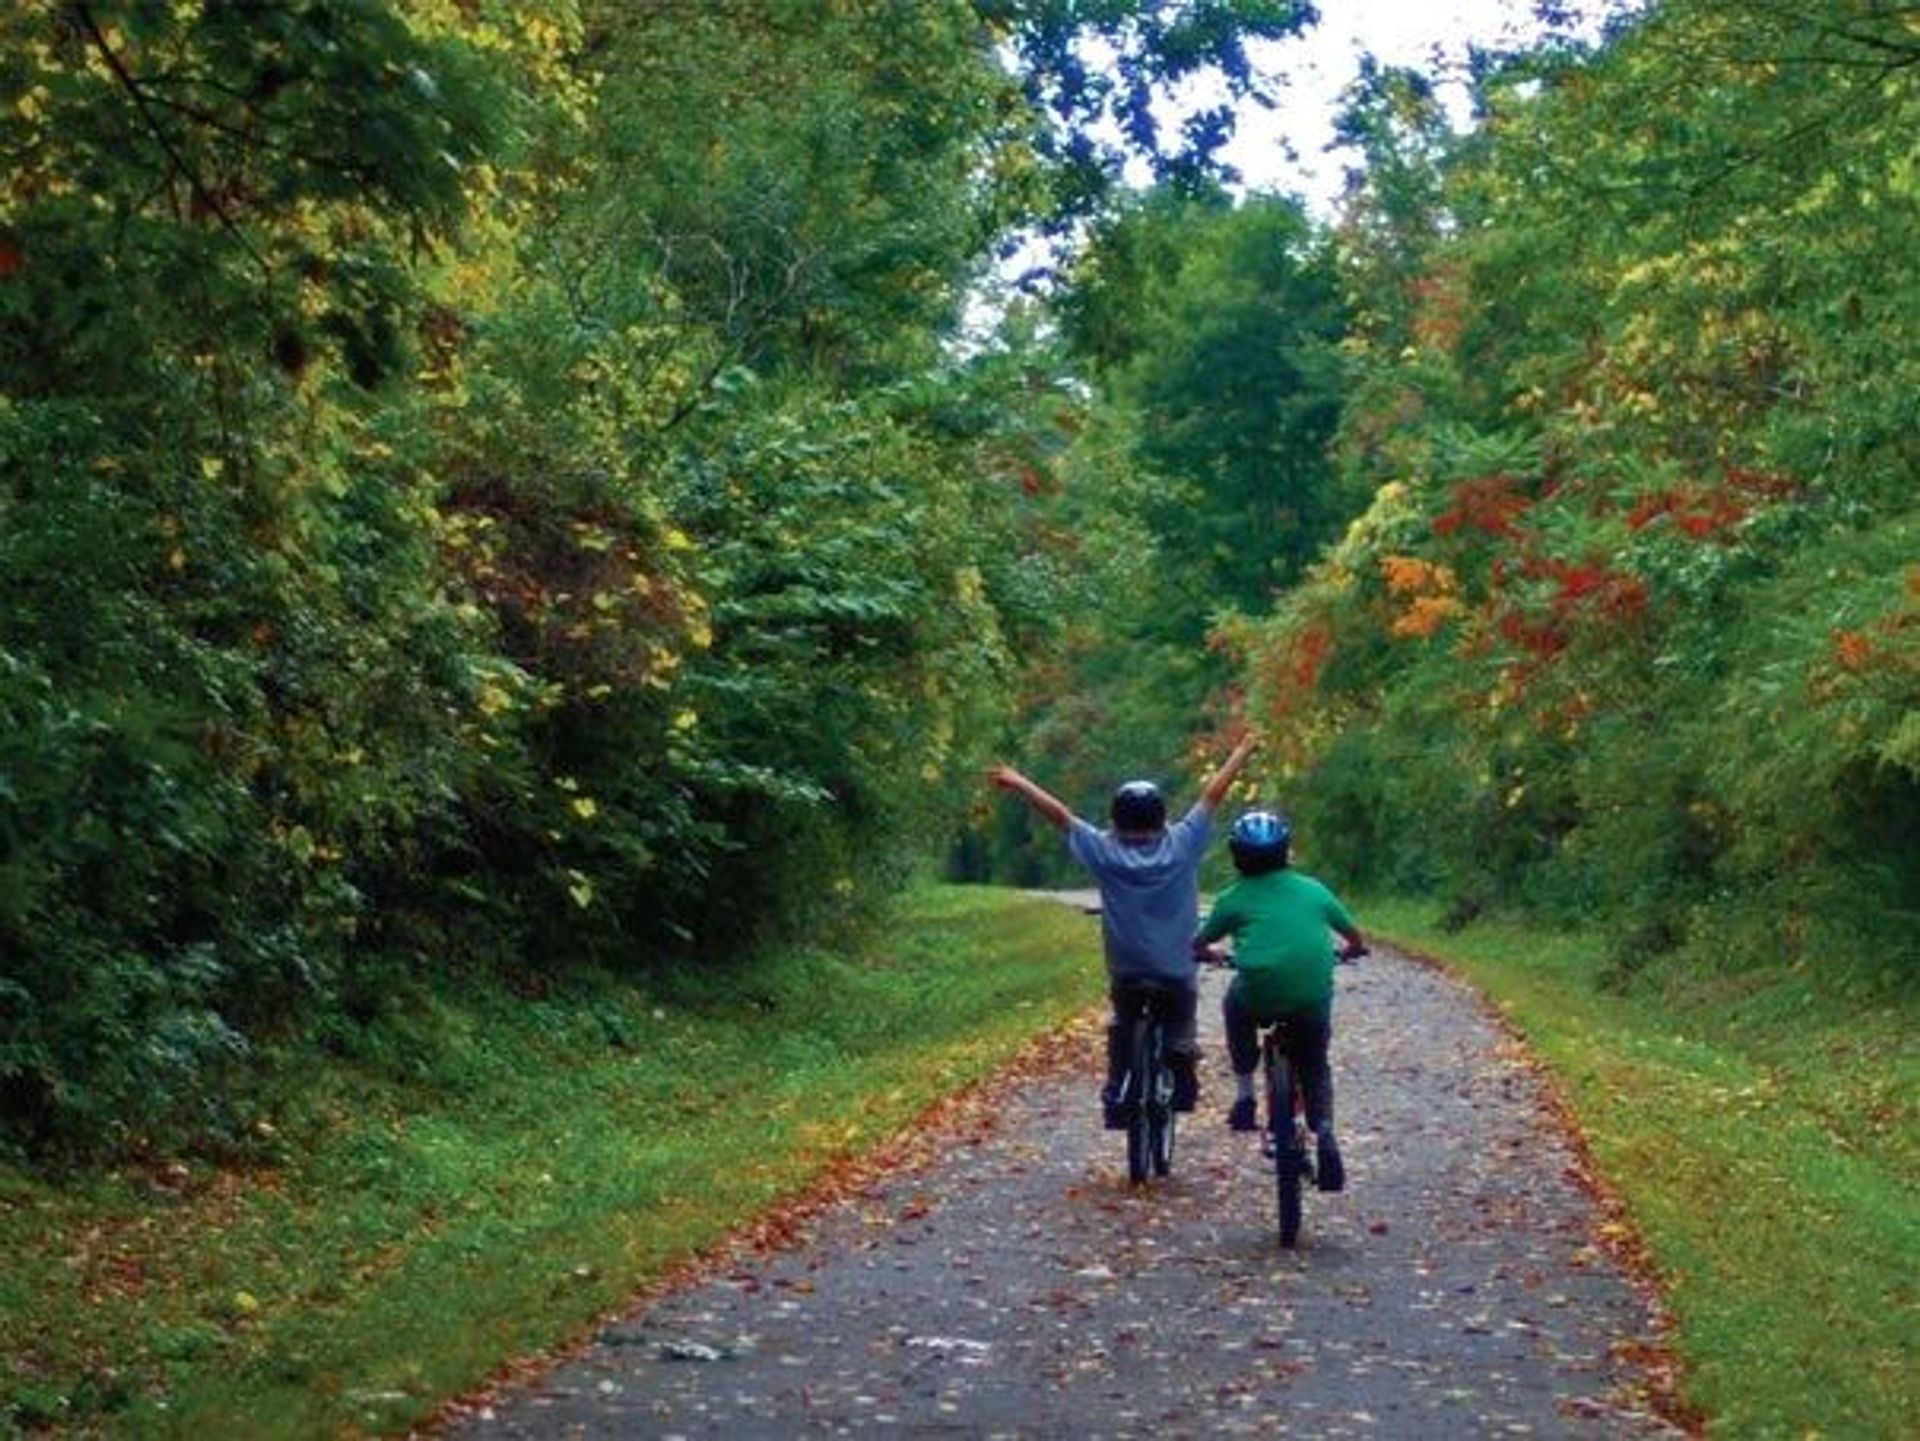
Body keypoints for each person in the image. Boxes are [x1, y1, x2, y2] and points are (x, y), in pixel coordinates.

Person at [988, 734, 1258, 1125]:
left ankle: (1117, 1085)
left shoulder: (1104, 851)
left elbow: (1060, 816)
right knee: (1182, 1005)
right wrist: (1242, 750)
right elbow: (1213, 795)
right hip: (1175, 967)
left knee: (1123, 1020)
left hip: (1128, 967)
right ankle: (1181, 1056)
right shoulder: (1181, 845)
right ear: (1161, 817)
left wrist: (1018, 782)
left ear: (1116, 818)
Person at [1196, 809, 1364, 1191]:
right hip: (1310, 997)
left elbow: (1200, 943)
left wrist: (1211, 955)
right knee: (1315, 1064)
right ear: (1286, 851)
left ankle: (1244, 1095)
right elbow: (1355, 938)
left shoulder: (1232, 898)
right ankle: (1323, 1130)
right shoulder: (1314, 890)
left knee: (1234, 1006)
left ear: (1237, 856)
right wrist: (1350, 951)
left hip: (1258, 995)